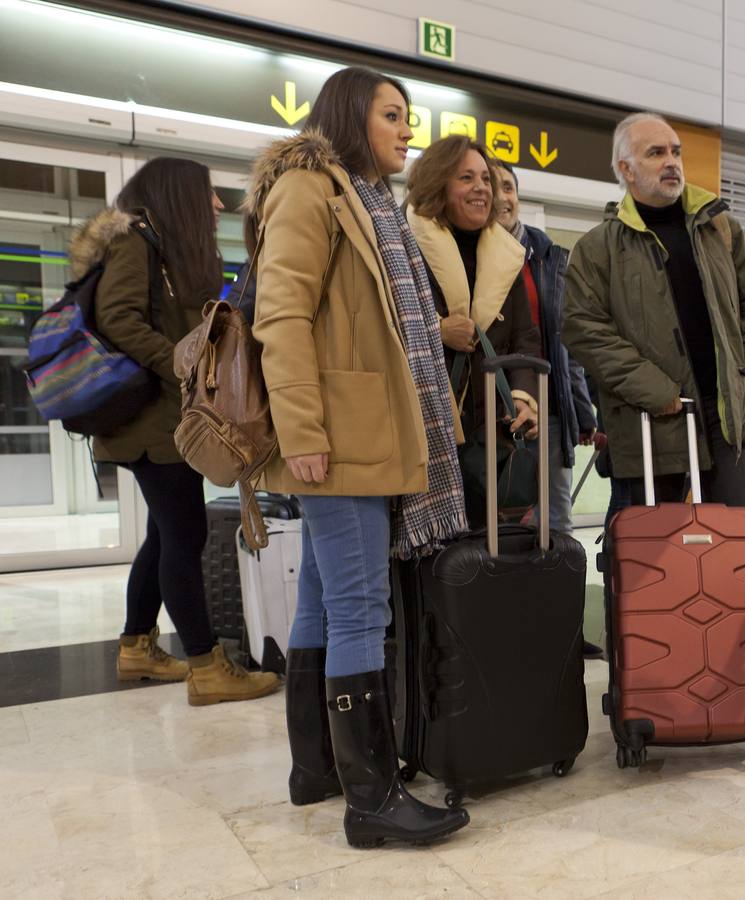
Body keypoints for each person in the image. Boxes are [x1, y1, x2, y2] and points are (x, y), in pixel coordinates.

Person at [246, 66, 469, 848]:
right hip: (338, 440)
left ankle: (318, 770)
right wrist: (303, 431)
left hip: (364, 432)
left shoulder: (371, 200)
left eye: (408, 117)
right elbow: (281, 314)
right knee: (359, 608)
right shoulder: (311, 191)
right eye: (392, 115)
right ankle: (371, 799)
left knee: (319, 602)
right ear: (351, 116)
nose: (407, 130)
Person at [75, 157, 280, 705]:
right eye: (208, 194)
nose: (216, 205)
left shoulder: (164, 249)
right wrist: (185, 365)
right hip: (150, 423)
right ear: (178, 195)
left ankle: (137, 646)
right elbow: (119, 318)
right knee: (186, 534)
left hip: (162, 420)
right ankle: (207, 666)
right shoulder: (135, 243)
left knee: (167, 533)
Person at [562, 112, 745, 511]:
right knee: (652, 556)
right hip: (649, 420)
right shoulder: (597, 249)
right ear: (626, 169)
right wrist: (656, 390)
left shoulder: (719, 228)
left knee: (735, 545)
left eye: (676, 152)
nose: (672, 162)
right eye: (656, 153)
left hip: (724, 417)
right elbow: (582, 328)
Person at [492, 162, 603, 659]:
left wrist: (583, 412)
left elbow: (567, 343)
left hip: (548, 408)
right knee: (491, 522)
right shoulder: (459, 250)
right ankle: (499, 629)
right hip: (485, 413)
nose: (500, 196)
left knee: (556, 520)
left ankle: (561, 634)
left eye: (508, 187)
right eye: (490, 187)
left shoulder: (549, 255)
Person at [404, 136, 541, 528]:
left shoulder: (504, 256)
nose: (482, 187)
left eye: (485, 178)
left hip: (488, 443)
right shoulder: (404, 245)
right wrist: (437, 330)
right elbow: (383, 326)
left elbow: (524, 339)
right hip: (424, 435)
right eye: (466, 177)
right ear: (438, 184)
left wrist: (524, 396)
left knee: (483, 561)